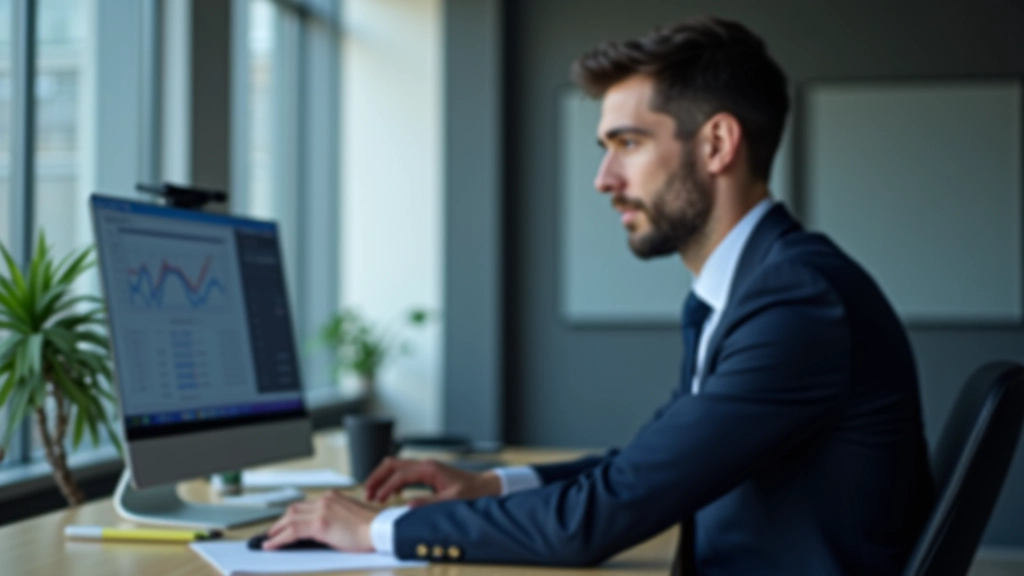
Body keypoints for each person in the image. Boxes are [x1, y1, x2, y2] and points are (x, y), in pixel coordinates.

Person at [263, 16, 935, 574]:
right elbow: (646, 468)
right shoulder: (747, 288)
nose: (603, 179)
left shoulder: (794, 303)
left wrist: (377, 529)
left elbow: (598, 520)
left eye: (629, 144)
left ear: (718, 144)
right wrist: (491, 484)